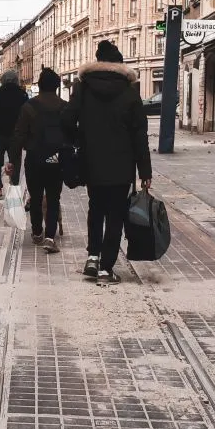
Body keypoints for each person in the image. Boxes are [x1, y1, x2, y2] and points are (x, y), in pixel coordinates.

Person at [61, 39, 152, 285]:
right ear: (119, 64)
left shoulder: (82, 88)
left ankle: (92, 257)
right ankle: (106, 268)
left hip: (92, 161)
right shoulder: (130, 93)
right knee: (115, 215)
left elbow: (68, 120)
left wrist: (81, 139)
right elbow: (139, 134)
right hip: (122, 165)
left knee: (96, 208)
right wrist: (145, 170)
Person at [5, 67, 65, 253]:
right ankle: (50, 237)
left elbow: (19, 135)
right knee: (54, 198)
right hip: (56, 159)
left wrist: (12, 160)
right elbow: (72, 134)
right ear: (56, 86)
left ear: (39, 85)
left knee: (37, 197)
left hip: (35, 159)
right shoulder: (64, 107)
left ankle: (37, 232)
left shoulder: (29, 107)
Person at [0, 69, 28, 201]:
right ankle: (14, 187)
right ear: (16, 80)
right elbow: (26, 113)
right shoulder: (22, 94)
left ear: (2, 81)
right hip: (16, 135)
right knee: (15, 161)